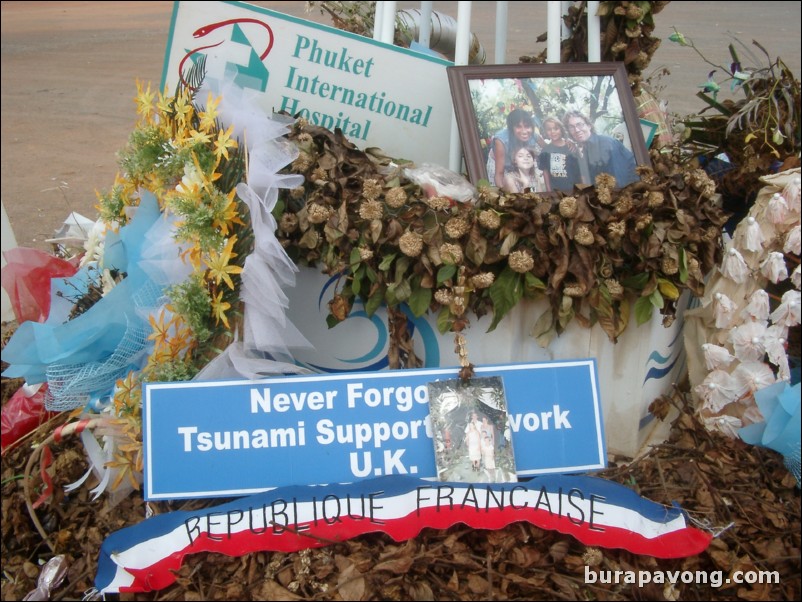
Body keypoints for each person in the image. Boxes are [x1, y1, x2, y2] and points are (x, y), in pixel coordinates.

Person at [562, 110, 639, 187]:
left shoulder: (606, 144)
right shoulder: (584, 150)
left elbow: (620, 181)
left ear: (589, 126)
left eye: (579, 125)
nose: (577, 130)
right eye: (571, 127)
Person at [489, 108, 542, 188]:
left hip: (518, 163)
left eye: (527, 126)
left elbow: (550, 148)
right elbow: (499, 173)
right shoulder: (501, 140)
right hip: (500, 164)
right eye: (518, 127)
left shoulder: (533, 135)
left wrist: (566, 141)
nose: (524, 131)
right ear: (511, 128)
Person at [537, 116, 582, 192]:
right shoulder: (545, 151)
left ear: (561, 129)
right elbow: (546, 173)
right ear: (545, 132)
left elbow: (579, 170)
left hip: (575, 189)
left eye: (556, 128)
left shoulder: (571, 147)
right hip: (557, 191)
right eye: (549, 129)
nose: (552, 132)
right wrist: (549, 191)